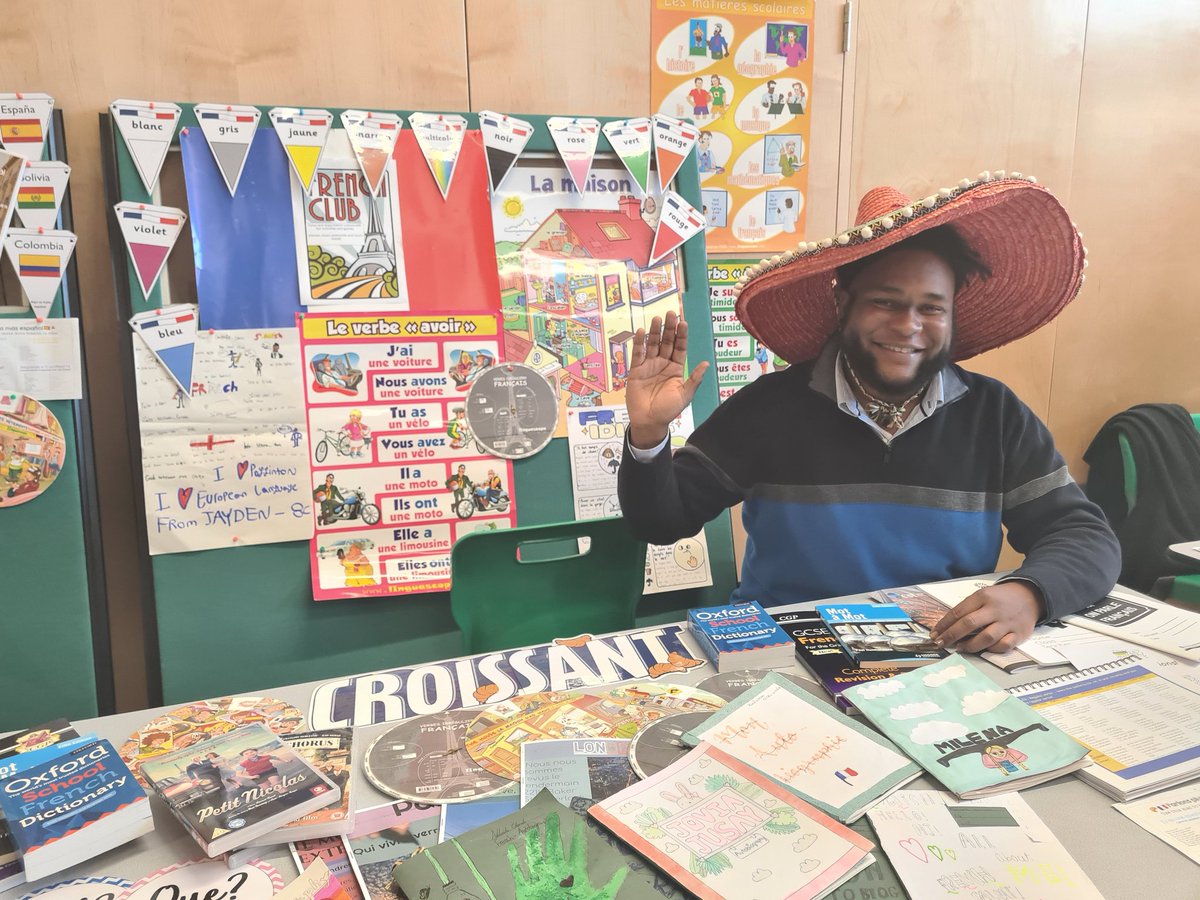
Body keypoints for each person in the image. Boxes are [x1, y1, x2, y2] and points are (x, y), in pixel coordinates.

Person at [618, 173, 1120, 655]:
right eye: (886, 302)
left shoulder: (995, 414)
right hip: (785, 654)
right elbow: (661, 521)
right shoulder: (770, 407)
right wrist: (649, 431)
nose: (909, 326)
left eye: (932, 307)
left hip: (941, 655)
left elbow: (1082, 535)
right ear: (843, 303)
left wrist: (1031, 592)